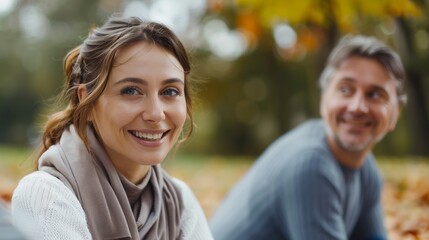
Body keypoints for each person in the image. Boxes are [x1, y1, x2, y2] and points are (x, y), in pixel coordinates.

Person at [11, 15, 213, 240]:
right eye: (131, 91)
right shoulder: (45, 196)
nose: (156, 114)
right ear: (87, 102)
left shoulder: (179, 202)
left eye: (170, 92)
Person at [210, 35, 407, 240]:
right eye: (345, 90)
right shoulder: (309, 164)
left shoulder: (366, 171)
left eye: (375, 94)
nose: (357, 106)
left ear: (395, 114)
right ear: (324, 100)